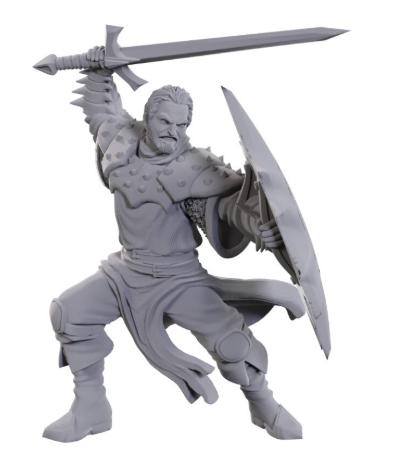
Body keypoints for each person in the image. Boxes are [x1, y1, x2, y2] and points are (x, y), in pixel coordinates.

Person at [43, 49, 305, 443]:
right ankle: (91, 407)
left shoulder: (195, 168)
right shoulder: (119, 141)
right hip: (126, 271)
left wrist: (261, 230)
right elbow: (99, 103)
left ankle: (263, 403)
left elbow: (234, 207)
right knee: (69, 312)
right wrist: (99, 65)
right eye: (165, 122)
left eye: (182, 124)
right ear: (147, 118)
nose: (173, 132)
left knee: (232, 344)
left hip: (180, 279)